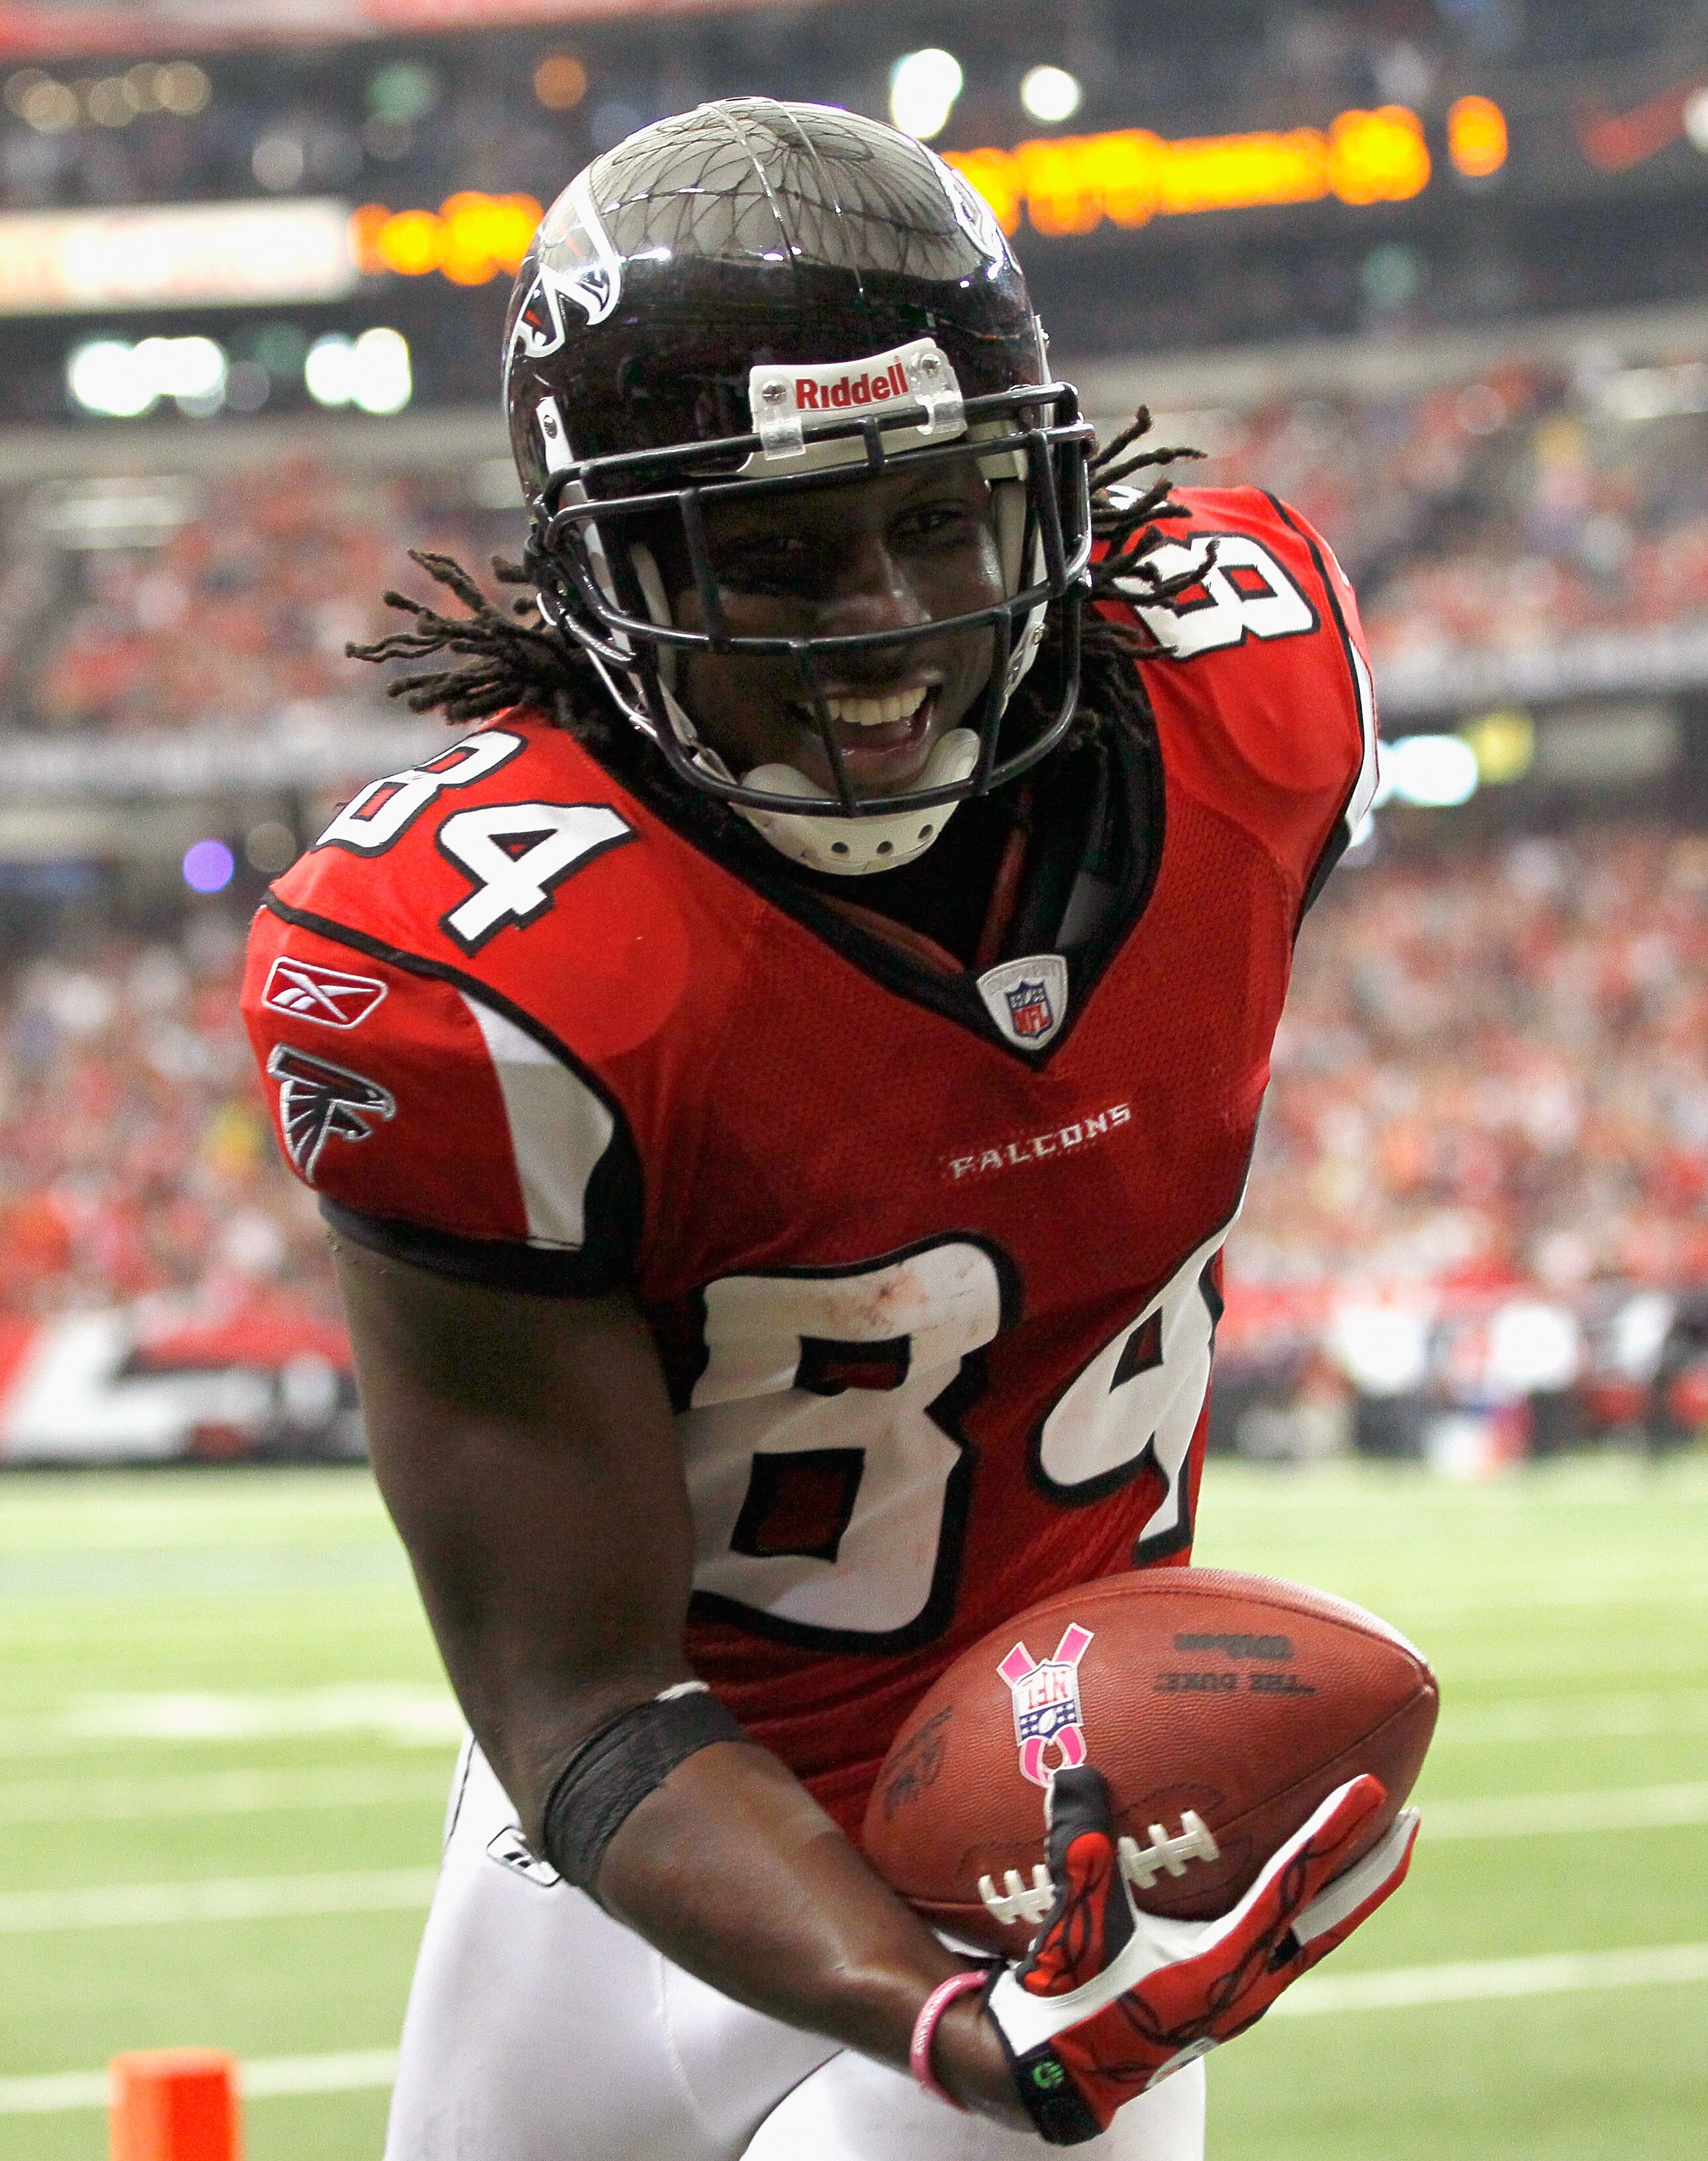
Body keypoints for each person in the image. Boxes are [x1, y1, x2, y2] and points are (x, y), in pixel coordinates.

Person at [243, 99, 1408, 2161]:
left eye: (941, 522)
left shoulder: (1254, 697)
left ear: (1040, 489)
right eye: (771, 561)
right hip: (621, 1849)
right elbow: (578, 1697)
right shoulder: (469, 963)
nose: (878, 621)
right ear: (611, 569)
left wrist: (991, 2023)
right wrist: (922, 2022)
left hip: (1042, 1856)